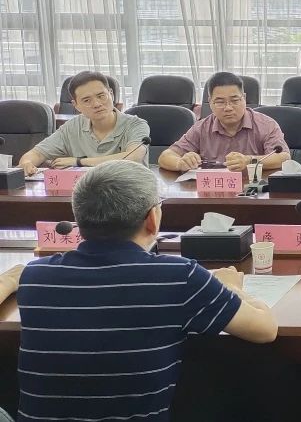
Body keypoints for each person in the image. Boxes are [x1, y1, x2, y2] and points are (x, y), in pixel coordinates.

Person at [15, 160, 277, 422]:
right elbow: (265, 329)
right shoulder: (178, 277)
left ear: (78, 219)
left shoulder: (35, 277)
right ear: (152, 218)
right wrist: (231, 287)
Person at [19, 70, 149, 176]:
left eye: (101, 96)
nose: (96, 104)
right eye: (87, 100)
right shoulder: (71, 127)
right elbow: (37, 153)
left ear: (111, 94)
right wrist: (26, 163)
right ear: (76, 105)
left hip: (129, 192)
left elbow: (134, 157)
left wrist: (79, 162)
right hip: (86, 194)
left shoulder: (136, 124)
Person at [158, 72, 290, 173]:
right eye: (220, 102)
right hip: (212, 193)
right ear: (210, 102)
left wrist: (249, 161)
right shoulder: (201, 128)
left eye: (234, 100)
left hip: (253, 192)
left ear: (244, 98)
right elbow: (165, 156)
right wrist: (180, 163)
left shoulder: (266, 125)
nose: (228, 108)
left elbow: (283, 157)